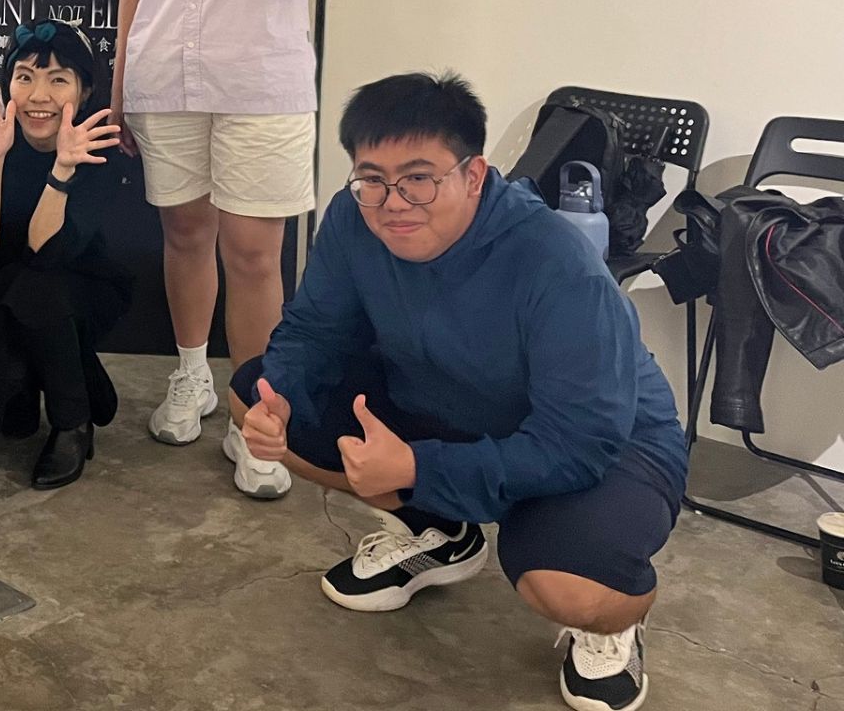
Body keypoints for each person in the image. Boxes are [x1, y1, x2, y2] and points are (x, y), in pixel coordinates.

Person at [236, 72, 686, 711]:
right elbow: (314, 329)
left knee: (566, 587)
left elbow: (580, 442)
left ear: (473, 175)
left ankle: (614, 623)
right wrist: (277, 396)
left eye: (419, 178)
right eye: (372, 178)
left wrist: (418, 467)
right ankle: (440, 533)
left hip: (605, 444)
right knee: (256, 397)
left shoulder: (555, 262)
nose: (393, 202)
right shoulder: (352, 218)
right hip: (447, 401)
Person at [92, 0, 346, 498]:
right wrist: (120, 85)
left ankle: (255, 415)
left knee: (254, 253)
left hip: (260, 79)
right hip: (165, 77)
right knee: (186, 235)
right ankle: (193, 374)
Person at [0, 21, 129, 489]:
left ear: (84, 90)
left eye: (58, 80)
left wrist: (63, 168)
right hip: (2, 291)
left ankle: (73, 423)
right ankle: (82, 376)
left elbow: (45, 252)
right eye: (25, 77)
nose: (38, 96)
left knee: (37, 287)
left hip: (80, 287)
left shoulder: (99, 148)